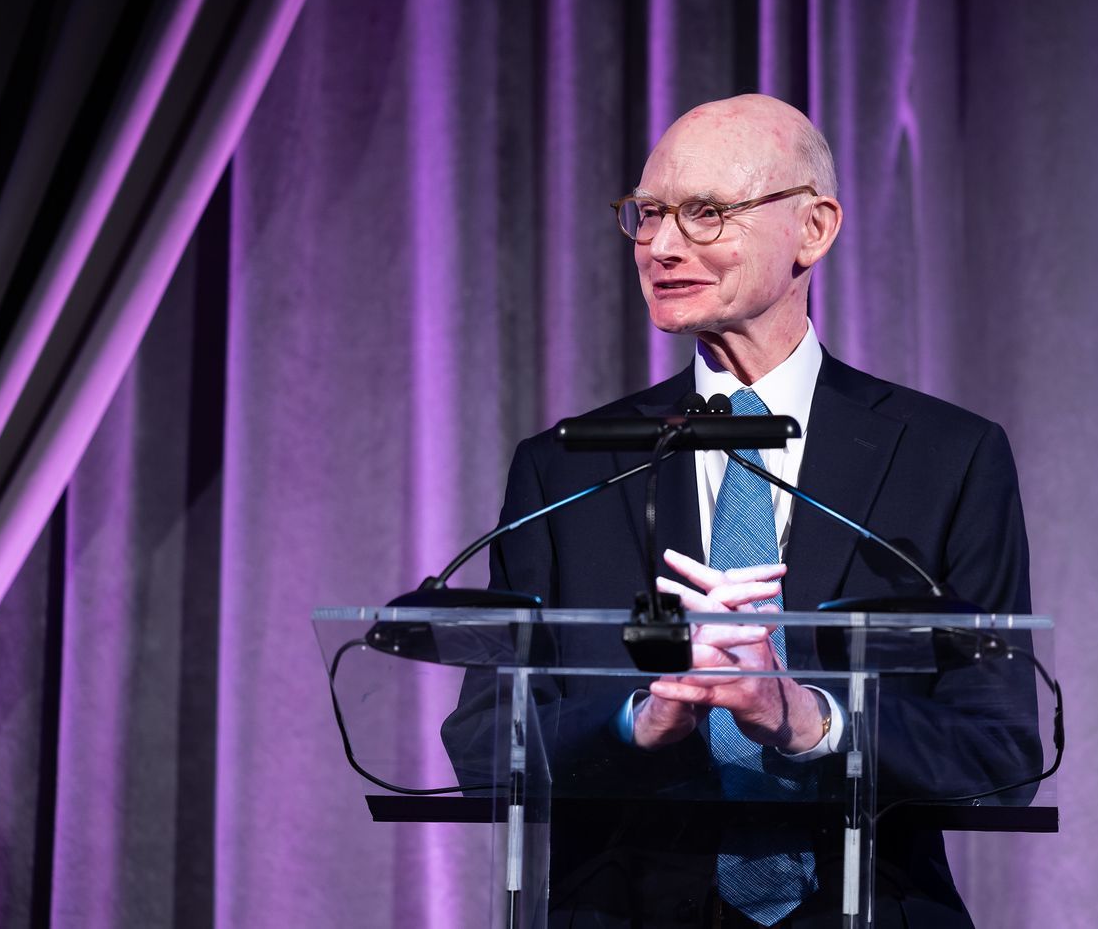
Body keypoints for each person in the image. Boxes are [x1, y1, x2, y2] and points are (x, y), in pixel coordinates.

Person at [443, 95, 1041, 927]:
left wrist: (806, 717)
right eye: (648, 214)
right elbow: (480, 741)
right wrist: (639, 718)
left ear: (815, 228)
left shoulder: (948, 457)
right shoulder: (565, 467)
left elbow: (1001, 748)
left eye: (706, 213)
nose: (660, 244)